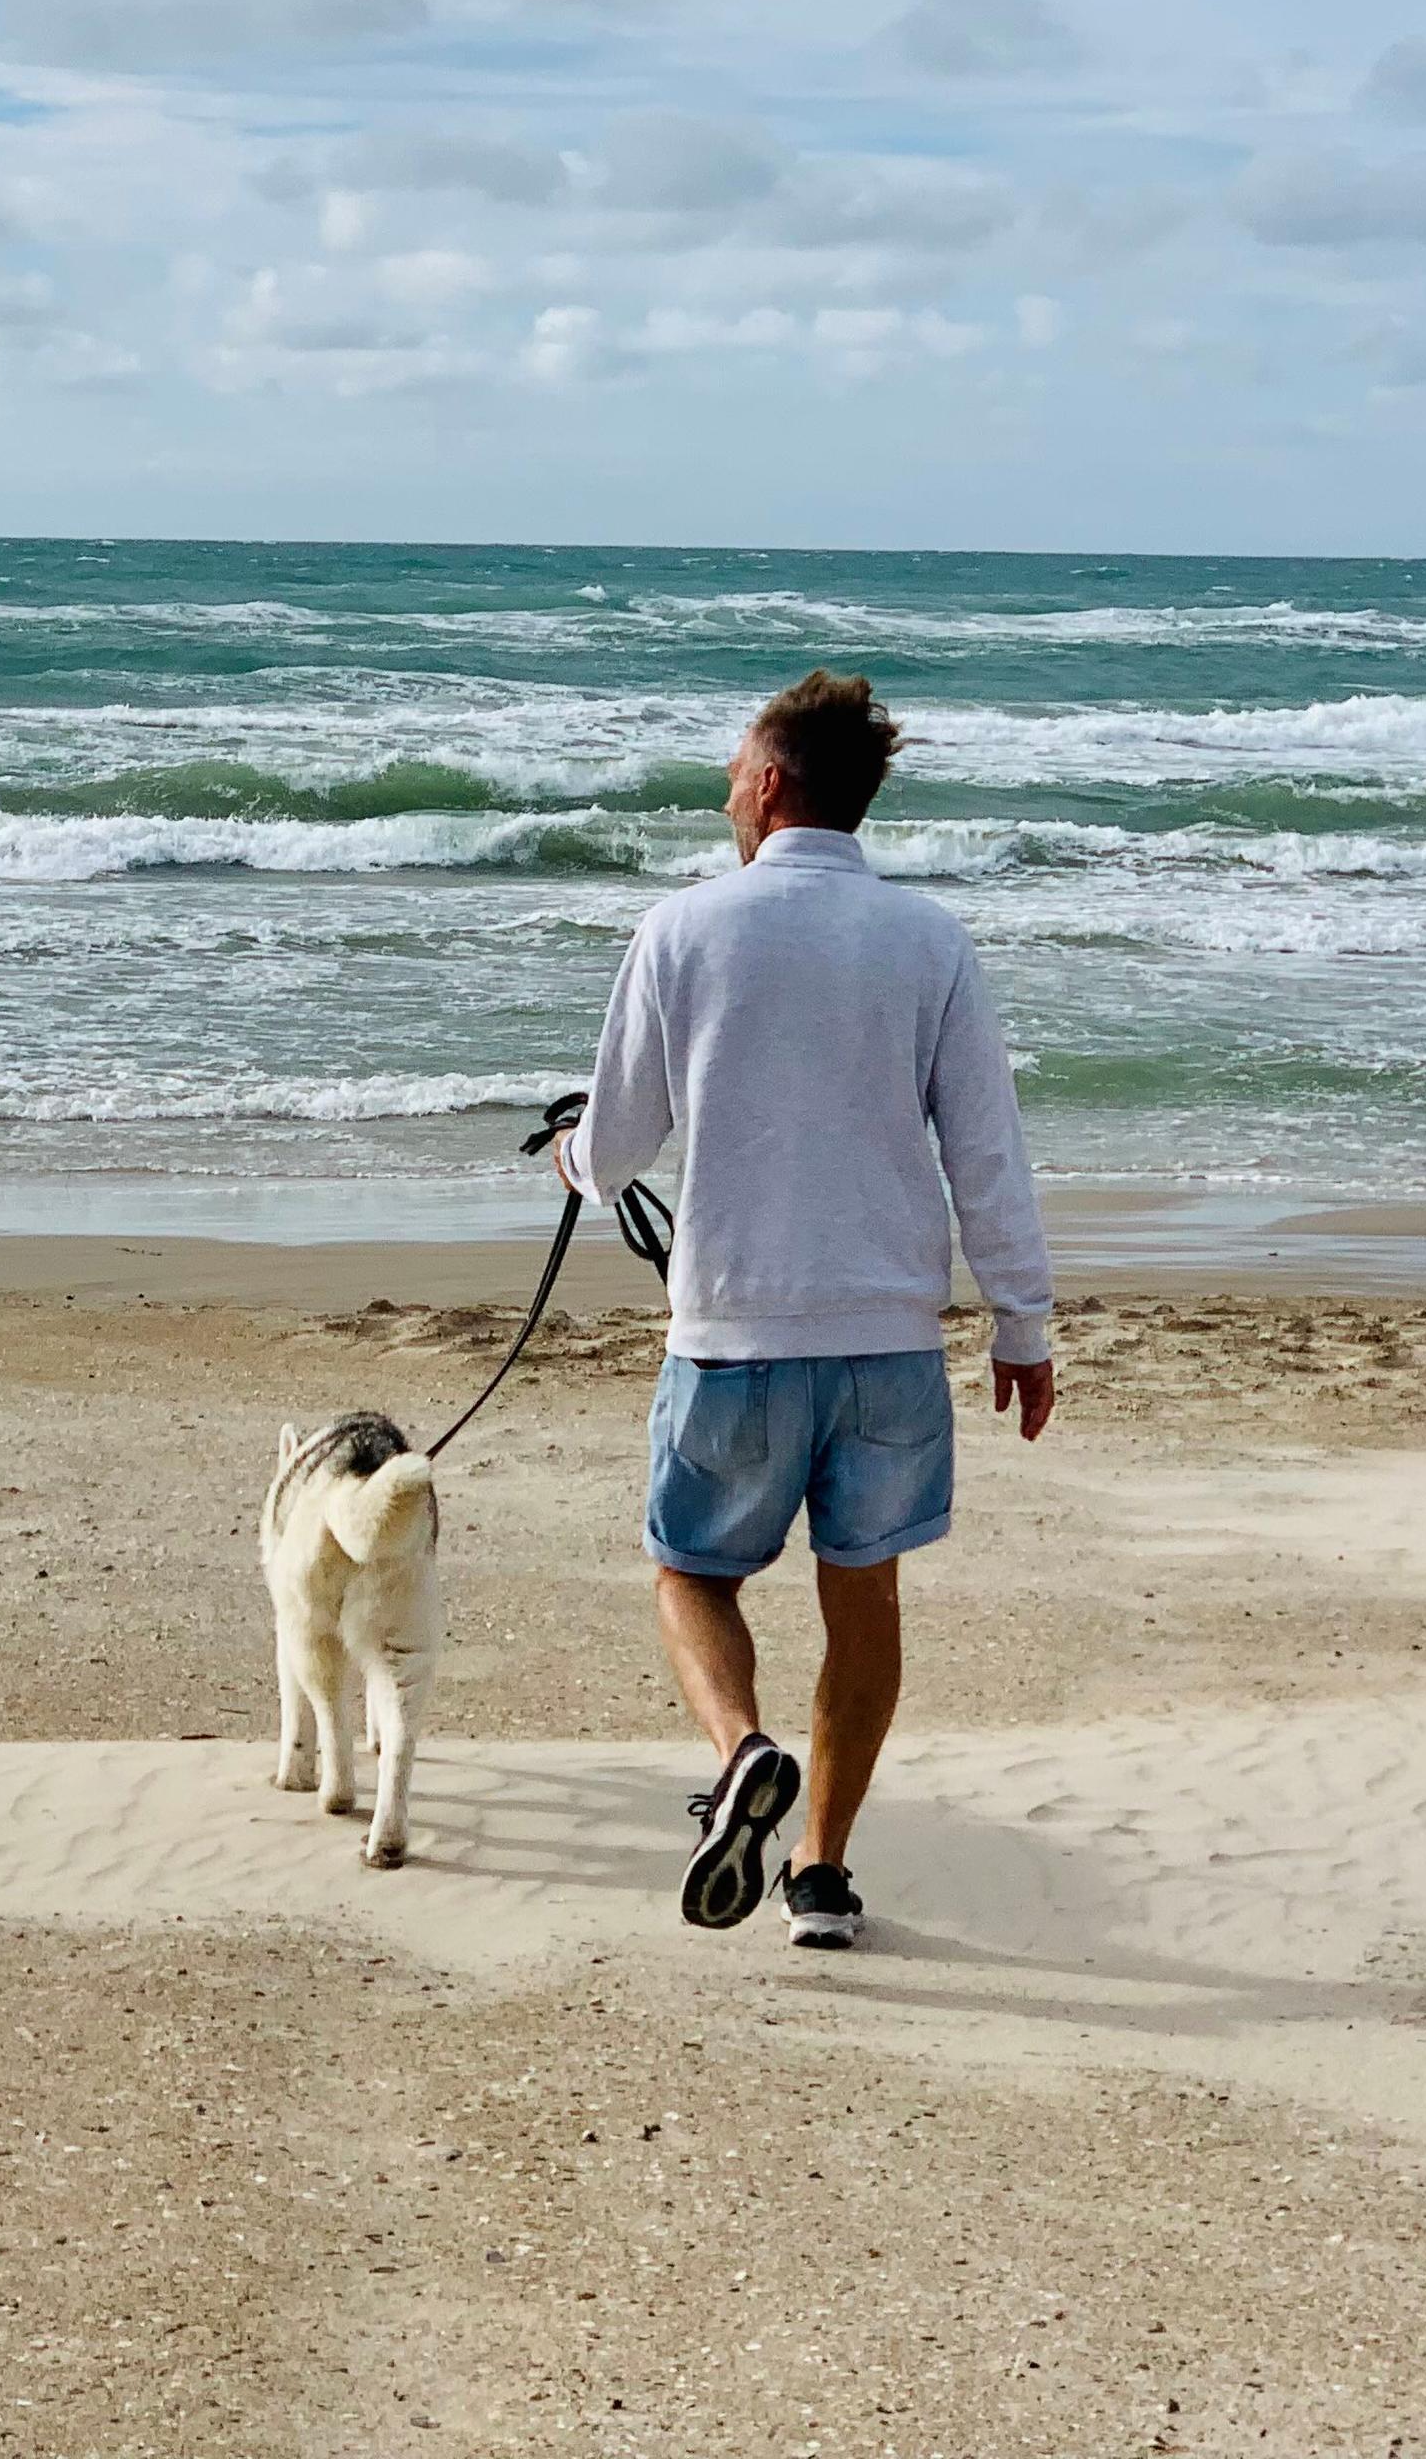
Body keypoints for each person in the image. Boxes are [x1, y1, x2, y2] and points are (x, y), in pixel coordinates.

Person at [556, 668, 1057, 1948]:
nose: (726, 787)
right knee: (864, 1599)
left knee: (687, 1571)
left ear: (772, 783)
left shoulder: (684, 929)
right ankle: (822, 1877)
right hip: (887, 1338)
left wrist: (568, 1155)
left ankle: (739, 1756)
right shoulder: (930, 940)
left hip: (734, 1333)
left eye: (735, 769)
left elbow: (613, 1152)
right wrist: (1022, 1327)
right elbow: (987, 1154)